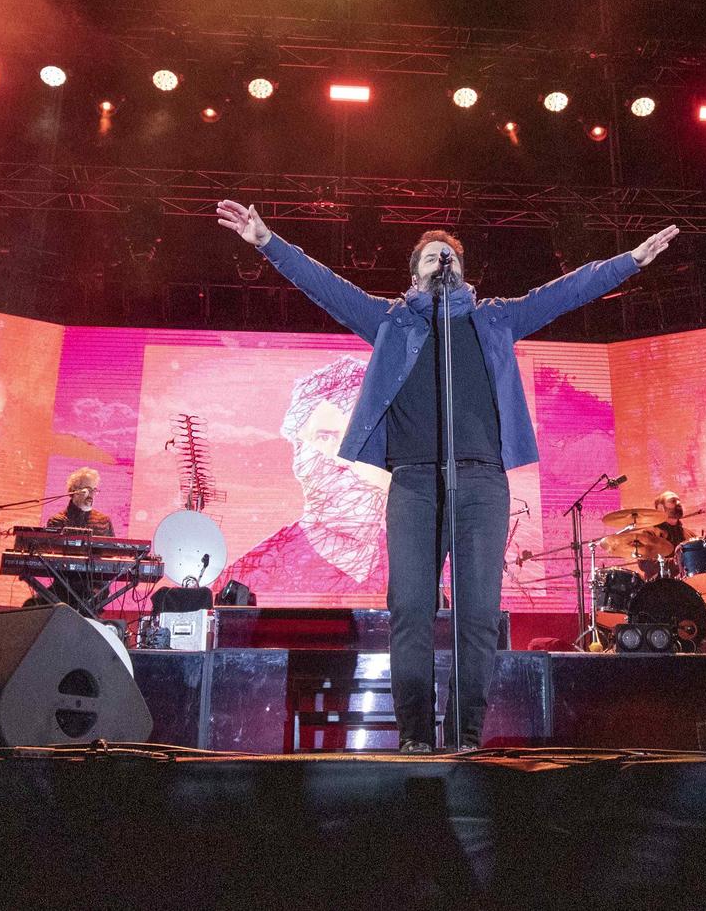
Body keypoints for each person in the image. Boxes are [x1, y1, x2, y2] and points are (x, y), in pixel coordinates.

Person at [215, 200, 676, 752]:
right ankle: (414, 737)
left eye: (448, 257)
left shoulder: (495, 318)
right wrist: (268, 241)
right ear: (415, 275)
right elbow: (326, 286)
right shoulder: (391, 321)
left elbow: (564, 292)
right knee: (409, 609)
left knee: (477, 615)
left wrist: (628, 261)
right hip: (412, 483)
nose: (441, 263)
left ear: (462, 271)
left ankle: (462, 736)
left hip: (482, 484)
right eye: (432, 259)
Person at [221, 354, 392, 596]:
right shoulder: (245, 580)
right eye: (325, 437)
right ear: (298, 457)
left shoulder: (431, 578)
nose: (343, 459)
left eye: (364, 440)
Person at [45, 466, 113, 536]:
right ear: (74, 491)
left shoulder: (104, 522)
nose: (91, 494)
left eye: (94, 490)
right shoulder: (57, 521)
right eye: (88, 490)